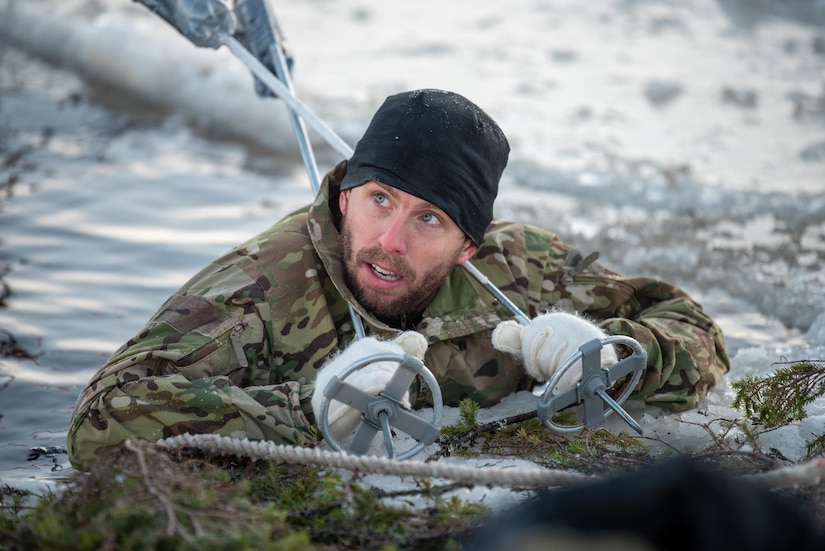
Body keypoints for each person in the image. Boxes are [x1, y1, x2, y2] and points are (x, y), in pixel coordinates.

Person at [67, 89, 730, 470]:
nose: (388, 241)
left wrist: (612, 354)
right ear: (344, 197)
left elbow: (698, 332)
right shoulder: (258, 288)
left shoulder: (520, 267)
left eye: (428, 219)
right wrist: (305, 411)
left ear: (469, 246)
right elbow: (101, 416)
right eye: (379, 198)